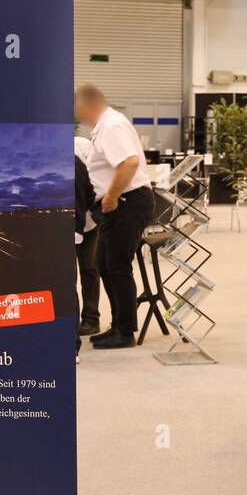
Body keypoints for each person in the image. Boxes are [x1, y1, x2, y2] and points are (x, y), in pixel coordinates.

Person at [74, 83, 154, 350]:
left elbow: (129, 162)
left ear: (89, 105)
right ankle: (119, 324)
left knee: (117, 266)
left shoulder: (110, 126)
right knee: (104, 264)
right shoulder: (107, 125)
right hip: (122, 202)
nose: (77, 115)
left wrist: (110, 196)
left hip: (126, 201)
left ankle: (125, 330)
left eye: (77, 108)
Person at [73, 132, 101, 335]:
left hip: (90, 220)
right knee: (67, 274)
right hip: (70, 222)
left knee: (89, 268)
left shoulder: (82, 145)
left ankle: (91, 319)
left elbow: (96, 178)